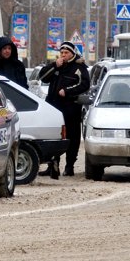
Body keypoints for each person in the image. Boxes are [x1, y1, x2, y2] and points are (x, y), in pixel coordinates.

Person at [37, 41, 90, 179]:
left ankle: (69, 166)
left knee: (72, 138)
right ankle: (52, 166)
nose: (63, 55)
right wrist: (55, 65)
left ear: (72, 53)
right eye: (62, 52)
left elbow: (84, 84)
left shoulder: (79, 67)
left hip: (71, 108)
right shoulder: (57, 66)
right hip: (54, 107)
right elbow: (42, 77)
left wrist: (67, 91)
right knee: (54, 136)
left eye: (66, 53)